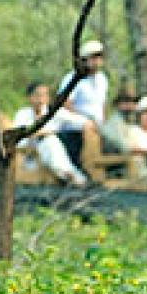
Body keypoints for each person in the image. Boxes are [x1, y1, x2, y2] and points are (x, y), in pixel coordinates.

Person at [30, 39, 112, 186]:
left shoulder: (102, 79)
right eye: (93, 57)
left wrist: (102, 122)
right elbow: (65, 102)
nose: (97, 61)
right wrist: (82, 119)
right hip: (74, 124)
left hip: (97, 123)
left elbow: (103, 103)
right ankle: (87, 172)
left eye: (99, 57)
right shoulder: (73, 78)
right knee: (86, 133)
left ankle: (105, 175)